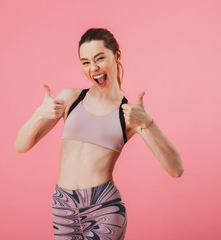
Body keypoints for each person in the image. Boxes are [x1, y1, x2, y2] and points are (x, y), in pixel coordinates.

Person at [15, 27, 184, 240]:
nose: (93, 68)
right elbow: (20, 145)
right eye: (85, 62)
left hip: (103, 208)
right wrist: (38, 114)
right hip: (62, 206)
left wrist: (148, 123)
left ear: (117, 56)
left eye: (99, 58)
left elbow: (176, 169)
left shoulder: (129, 114)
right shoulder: (71, 99)